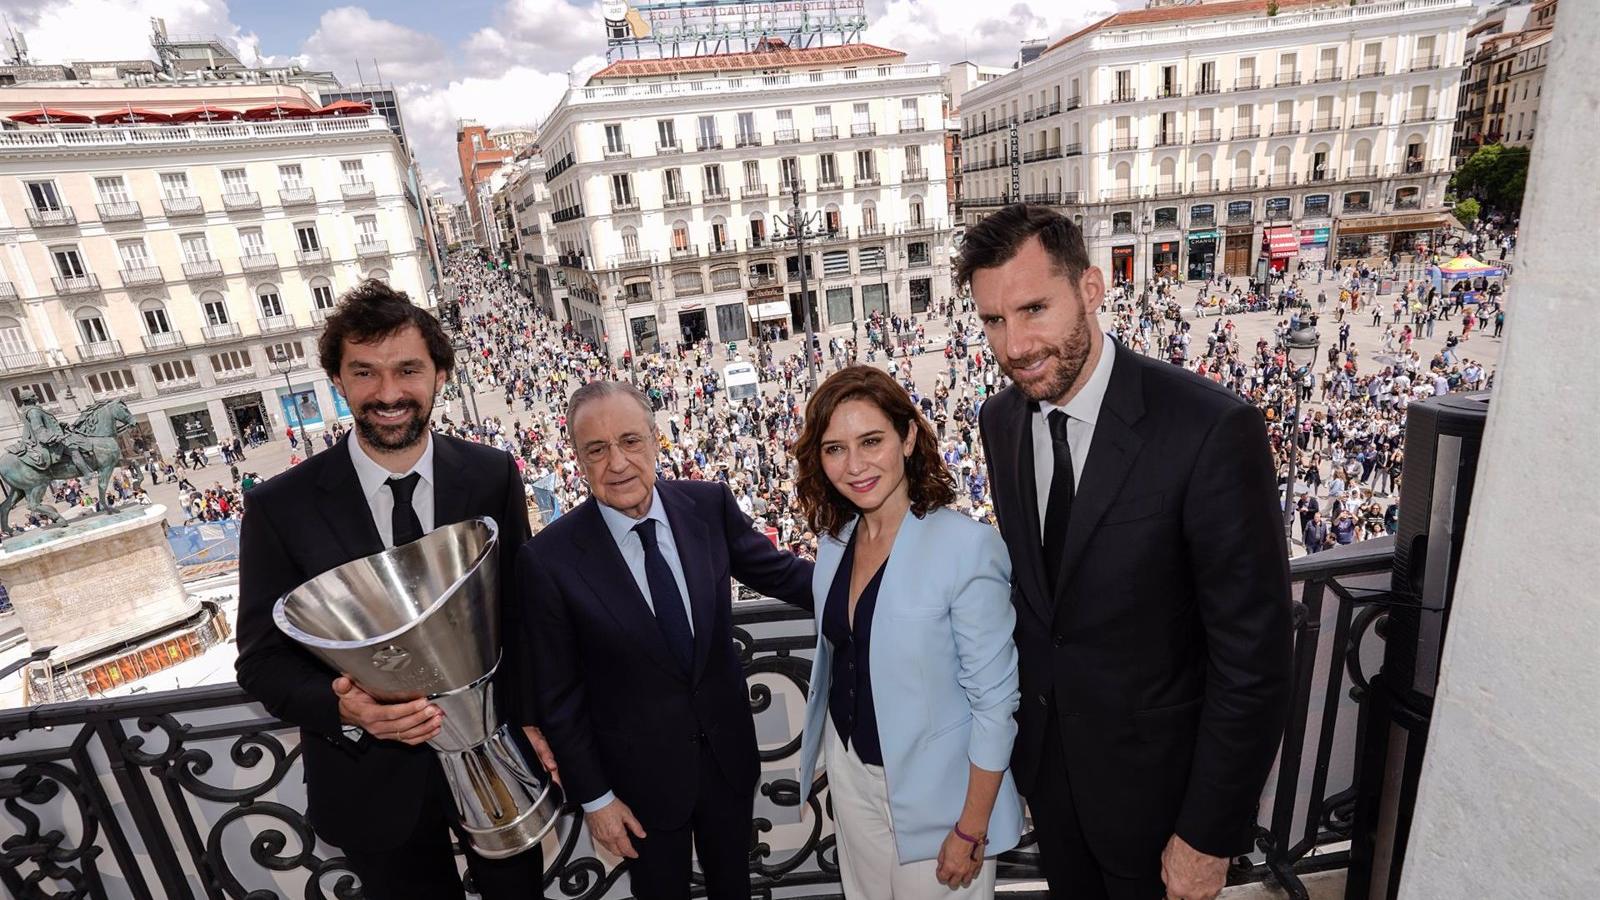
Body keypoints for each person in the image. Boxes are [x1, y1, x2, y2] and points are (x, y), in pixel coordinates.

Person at [961, 205, 1294, 900]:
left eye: (1033, 309)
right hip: (1055, 788)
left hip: (1166, 807)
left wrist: (1209, 833)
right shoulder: (1001, 422)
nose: (1015, 345)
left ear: (1090, 288)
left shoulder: (1208, 429)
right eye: (994, 320)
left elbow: (1254, 660)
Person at [234, 279, 547, 900]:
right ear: (338, 380)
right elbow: (262, 660)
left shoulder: (491, 475)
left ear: (439, 375)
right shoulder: (280, 508)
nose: (388, 394)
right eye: (365, 373)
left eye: (408, 370)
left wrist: (536, 723)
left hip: (499, 766)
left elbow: (524, 617)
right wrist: (346, 708)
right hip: (369, 784)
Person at [518, 380, 814, 900]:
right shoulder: (550, 560)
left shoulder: (707, 505)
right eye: (597, 450)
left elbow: (786, 575)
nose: (618, 463)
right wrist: (596, 799)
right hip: (636, 788)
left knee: (735, 890)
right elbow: (558, 698)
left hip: (727, 760)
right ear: (579, 461)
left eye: (630, 441)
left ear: (656, 440)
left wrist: (877, 584)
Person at [791, 366, 1023, 897]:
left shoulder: (967, 547)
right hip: (850, 776)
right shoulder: (834, 544)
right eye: (834, 449)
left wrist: (971, 826)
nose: (855, 465)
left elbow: (995, 704)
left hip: (941, 797)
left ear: (908, 436)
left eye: (871, 441)